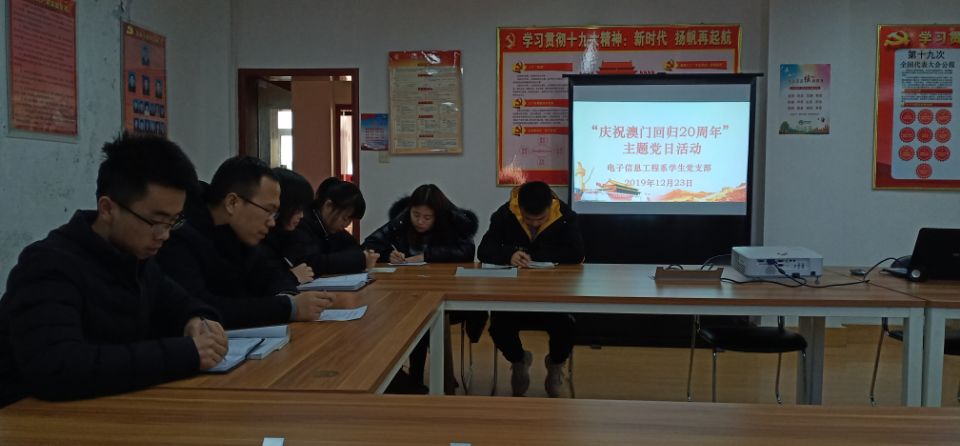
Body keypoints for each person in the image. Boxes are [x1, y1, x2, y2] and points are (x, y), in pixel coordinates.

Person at [0, 134, 228, 407]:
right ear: (107, 208)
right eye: (156, 221)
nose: (164, 235)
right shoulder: (48, 266)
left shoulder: (136, 259)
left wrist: (197, 320)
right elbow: (58, 368)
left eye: (173, 221)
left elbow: (183, 303)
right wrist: (186, 353)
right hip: (28, 416)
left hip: (108, 406)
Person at [156, 157, 333, 329]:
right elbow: (202, 307)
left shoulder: (240, 236)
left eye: (275, 214)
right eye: (268, 211)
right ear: (232, 203)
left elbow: (272, 278)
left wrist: (289, 297)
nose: (272, 222)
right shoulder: (178, 237)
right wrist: (288, 307)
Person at [362, 184, 485, 392]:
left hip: (450, 294)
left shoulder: (454, 220)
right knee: (416, 316)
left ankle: (426, 378)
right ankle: (426, 379)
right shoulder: (402, 218)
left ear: (438, 215)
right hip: (411, 291)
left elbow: (467, 251)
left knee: (425, 317)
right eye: (416, 215)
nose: (420, 221)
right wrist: (388, 254)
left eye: (427, 217)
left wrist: (426, 256)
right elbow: (371, 243)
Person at [477, 180, 584, 397]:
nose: (534, 224)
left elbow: (576, 253)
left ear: (550, 206)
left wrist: (533, 255)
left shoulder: (565, 216)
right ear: (520, 207)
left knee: (567, 328)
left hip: (553, 296)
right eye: (529, 219)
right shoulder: (505, 214)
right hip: (513, 295)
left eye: (541, 219)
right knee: (498, 327)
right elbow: (484, 250)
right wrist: (509, 254)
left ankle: (555, 365)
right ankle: (519, 361)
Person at [284, 177, 377, 275]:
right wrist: (360, 259)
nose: (347, 224)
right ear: (328, 206)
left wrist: (366, 255)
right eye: (345, 218)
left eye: (351, 220)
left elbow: (354, 248)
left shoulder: (333, 228)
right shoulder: (301, 224)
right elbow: (312, 263)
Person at [261, 167, 315, 284]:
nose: (301, 216)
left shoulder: (293, 236)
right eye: (297, 209)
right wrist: (293, 277)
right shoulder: (260, 239)